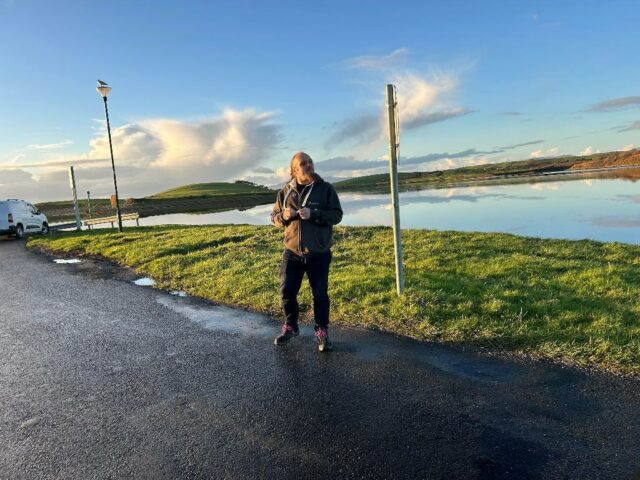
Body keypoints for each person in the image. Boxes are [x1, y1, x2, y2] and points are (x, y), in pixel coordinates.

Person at [270, 152, 343, 352]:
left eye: (310, 161)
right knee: (286, 292)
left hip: (318, 252)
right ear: (294, 170)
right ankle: (291, 326)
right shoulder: (285, 192)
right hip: (292, 252)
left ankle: (321, 331)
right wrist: (283, 217)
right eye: (303, 163)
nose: (309, 165)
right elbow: (274, 217)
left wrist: (315, 214)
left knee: (320, 294)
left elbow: (337, 215)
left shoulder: (326, 189)